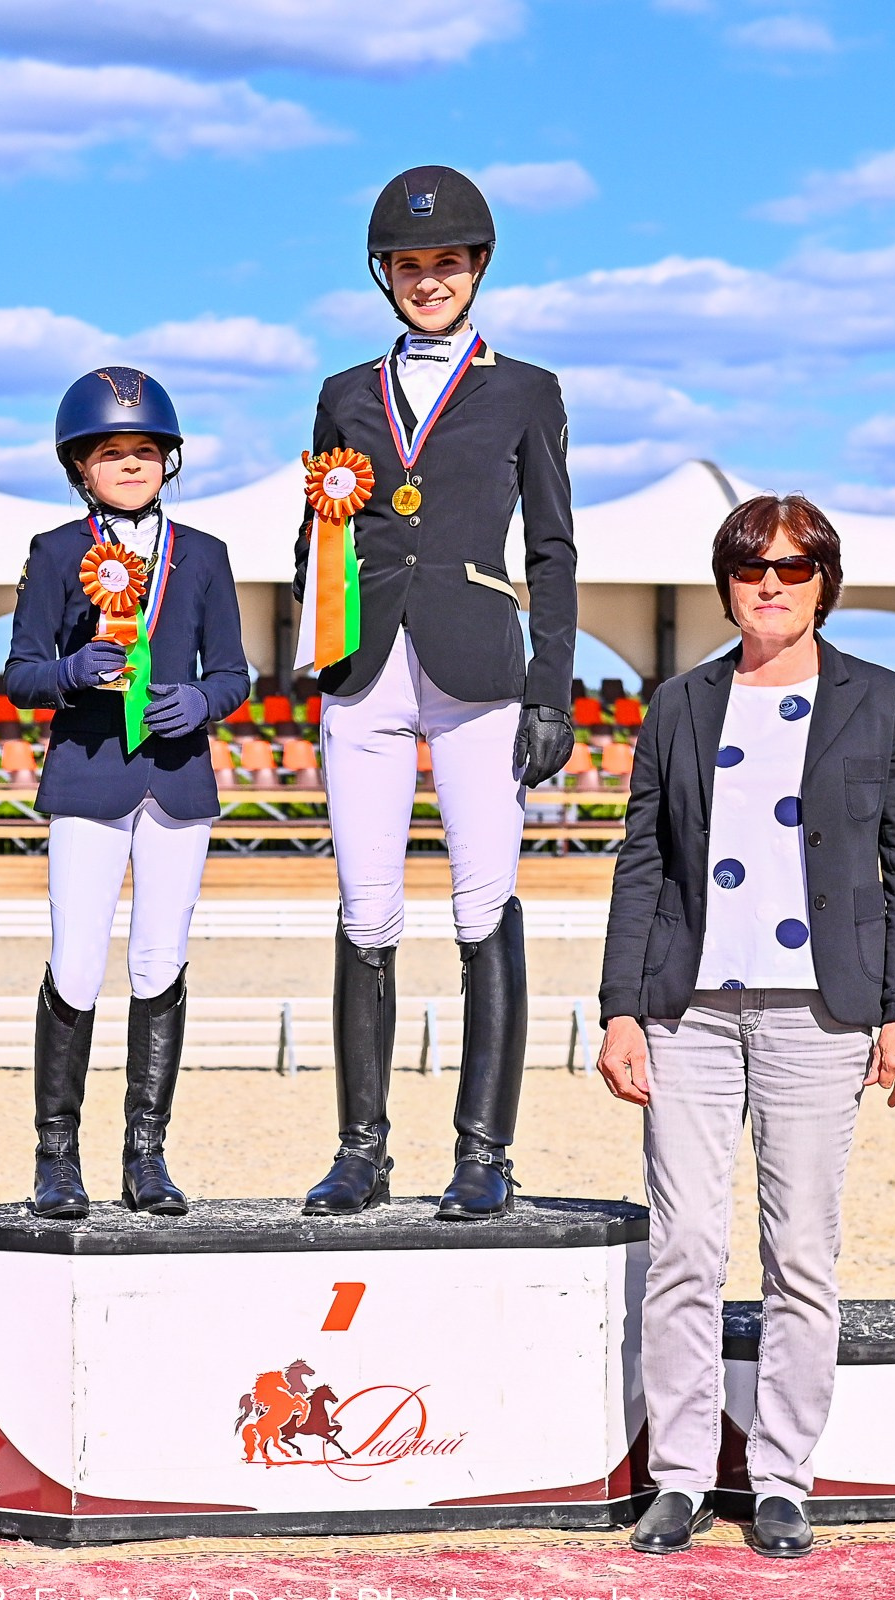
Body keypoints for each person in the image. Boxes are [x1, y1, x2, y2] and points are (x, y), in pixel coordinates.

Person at [595, 494, 895, 1559]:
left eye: (793, 567)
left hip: (821, 1013)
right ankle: (681, 1478)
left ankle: (784, 1478)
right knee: (686, 1249)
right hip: (688, 1008)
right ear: (728, 582)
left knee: (799, 1254)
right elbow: (642, 861)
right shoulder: (679, 703)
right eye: (752, 568)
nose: (772, 584)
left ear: (825, 579)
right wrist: (619, 1007)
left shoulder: (881, 703)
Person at [294, 164, 579, 1222]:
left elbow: (552, 549)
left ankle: (482, 1153)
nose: (427, 281)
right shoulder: (341, 395)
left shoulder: (524, 391)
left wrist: (550, 686)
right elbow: (319, 537)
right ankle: (360, 1150)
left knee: (479, 902)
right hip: (365, 671)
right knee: (367, 908)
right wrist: (318, 657)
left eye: (445, 263)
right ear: (385, 276)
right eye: (409, 267)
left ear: (477, 268)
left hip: (476, 668)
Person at [3, 368, 251, 1219]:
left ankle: (147, 1153)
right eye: (113, 452)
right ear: (82, 467)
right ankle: (56, 1154)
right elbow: (21, 673)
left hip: (178, 778)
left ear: (167, 461)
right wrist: (69, 674)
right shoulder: (56, 553)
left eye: (145, 451)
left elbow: (233, 670)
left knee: (160, 959)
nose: (132, 464)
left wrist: (206, 701)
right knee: (77, 958)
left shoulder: (207, 557)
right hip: (88, 775)